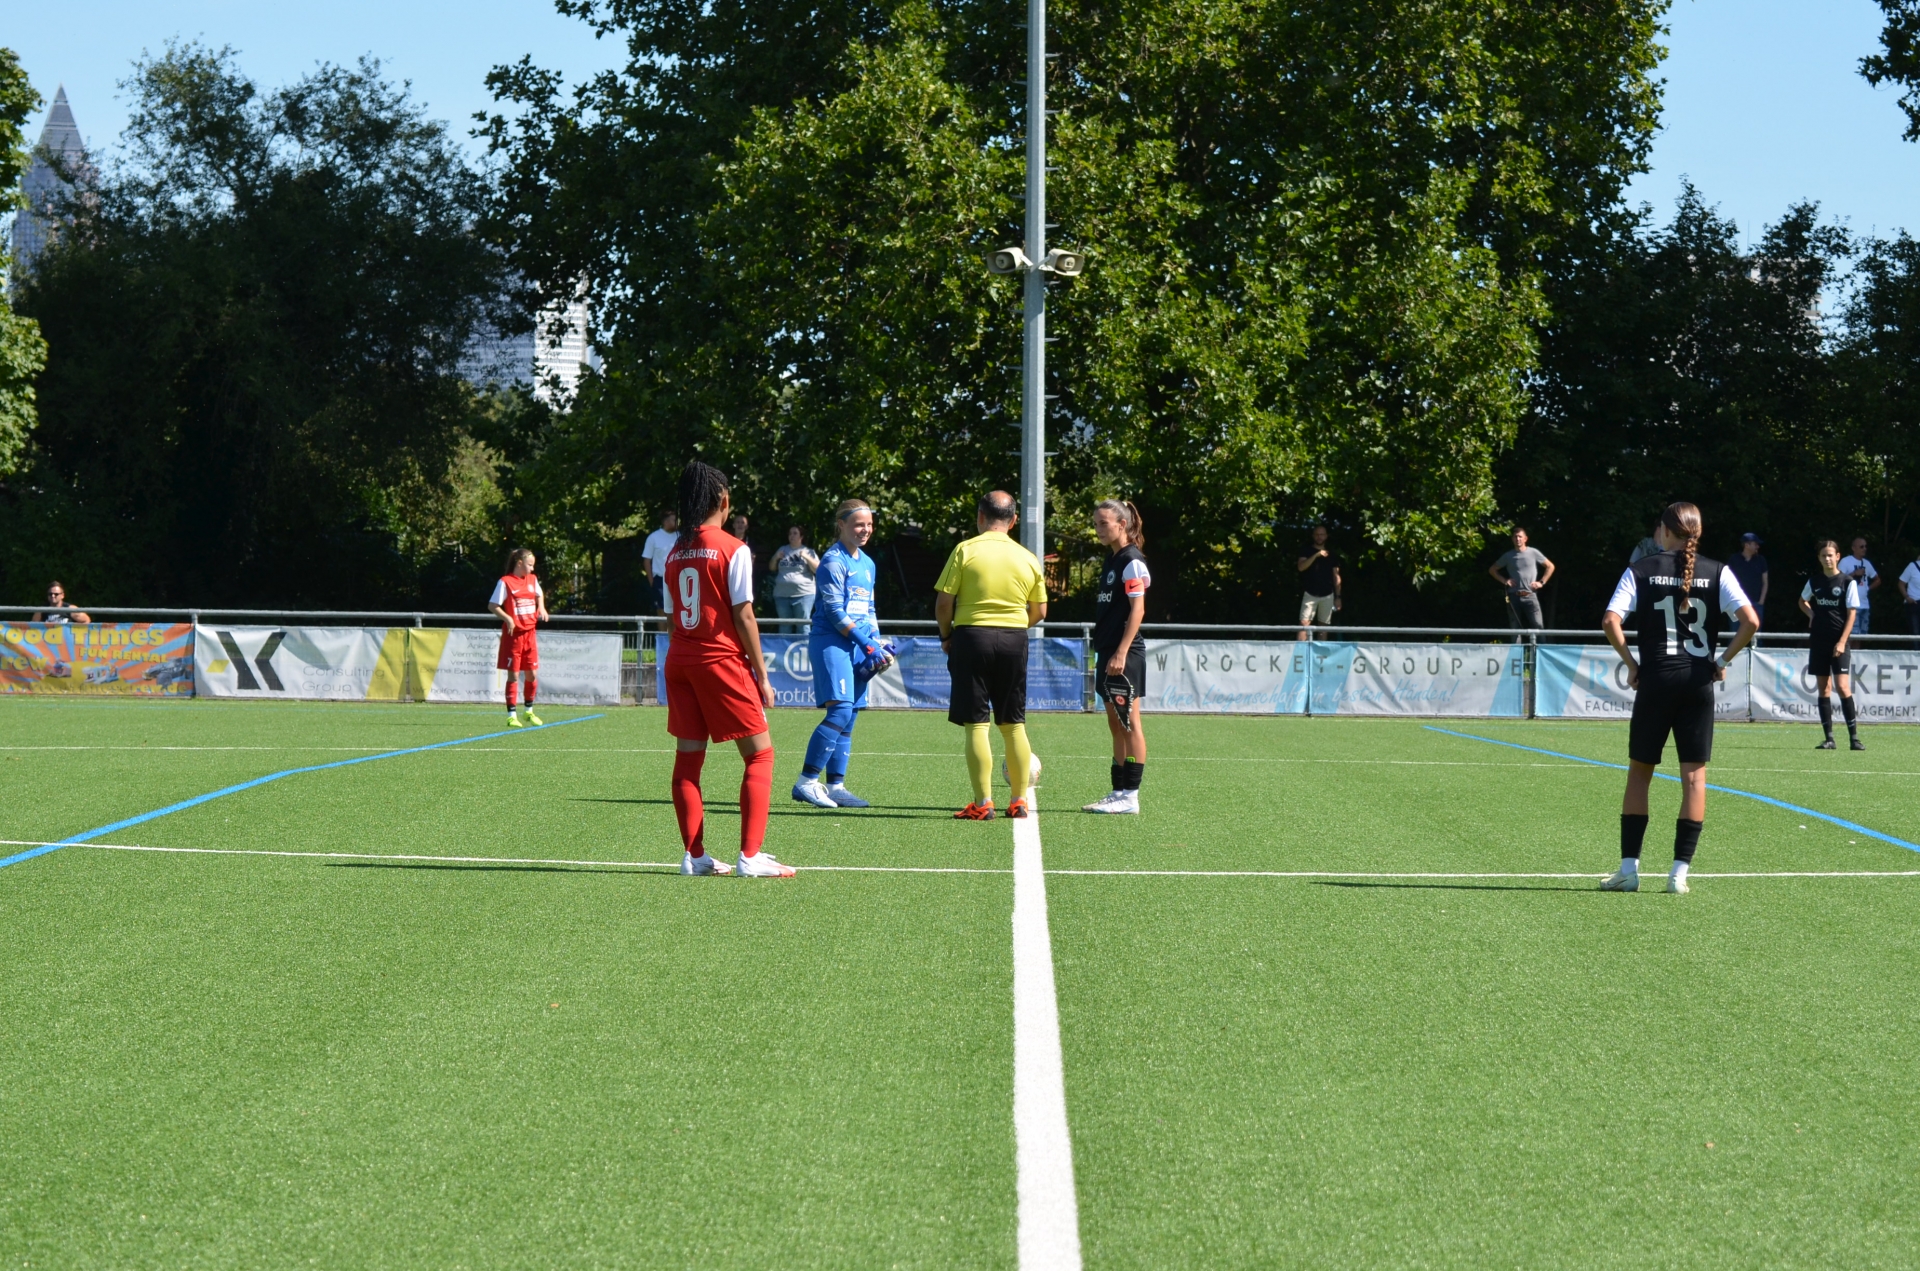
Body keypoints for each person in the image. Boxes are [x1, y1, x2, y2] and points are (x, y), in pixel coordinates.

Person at [1599, 501, 1759, 895]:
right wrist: (1720, 660)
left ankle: (1629, 870)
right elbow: (1751, 621)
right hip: (1697, 683)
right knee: (1694, 778)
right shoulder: (1719, 571)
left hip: (1656, 681)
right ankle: (1678, 875)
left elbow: (1610, 621)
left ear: (1665, 531)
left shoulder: (1640, 569)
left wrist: (1632, 663)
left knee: (1640, 772)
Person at [661, 461, 791, 877]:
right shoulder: (734, 548)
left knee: (688, 761)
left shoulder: (674, 551)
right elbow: (744, 616)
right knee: (760, 756)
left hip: (680, 661)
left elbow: (671, 618)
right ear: (723, 500)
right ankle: (750, 857)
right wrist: (763, 675)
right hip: (719, 661)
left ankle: (694, 856)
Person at [935, 491, 1047, 820]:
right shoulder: (1027, 557)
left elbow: (944, 603)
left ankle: (983, 803)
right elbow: (1040, 611)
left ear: (981, 517)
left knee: (977, 725)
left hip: (972, 637)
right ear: (1013, 521)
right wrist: (1011, 626)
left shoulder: (965, 550)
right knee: (1013, 725)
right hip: (1014, 639)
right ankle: (1018, 800)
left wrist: (947, 635)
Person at [792, 501, 892, 810]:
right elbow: (835, 611)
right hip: (832, 641)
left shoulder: (868, 563)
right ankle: (806, 782)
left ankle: (835, 786)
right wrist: (867, 644)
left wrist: (877, 643)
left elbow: (869, 608)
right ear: (841, 525)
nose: (865, 530)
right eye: (859, 524)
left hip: (860, 644)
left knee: (850, 715)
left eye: (869, 525)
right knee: (839, 710)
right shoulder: (833, 561)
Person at [1082, 500, 1150, 814]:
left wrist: (1122, 651)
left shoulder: (1132, 561)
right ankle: (1118, 790)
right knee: (1115, 725)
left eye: (1104, 523)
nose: (1098, 529)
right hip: (1108, 652)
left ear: (1121, 524)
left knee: (1130, 723)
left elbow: (1138, 609)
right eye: (1096, 524)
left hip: (1126, 654)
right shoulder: (1111, 561)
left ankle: (1131, 797)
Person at [1800, 540, 1866, 751]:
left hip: (1839, 642)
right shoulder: (1815, 581)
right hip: (1819, 640)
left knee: (1843, 687)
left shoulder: (1847, 582)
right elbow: (1802, 601)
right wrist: (1811, 614)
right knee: (1824, 688)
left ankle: (1854, 738)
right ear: (1819, 558)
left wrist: (1842, 641)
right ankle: (1829, 738)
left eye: (1830, 555)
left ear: (1838, 556)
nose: (1827, 559)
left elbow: (1852, 613)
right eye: (1823, 555)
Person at [488, 549, 548, 727]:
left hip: (530, 634)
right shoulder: (505, 582)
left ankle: (529, 711)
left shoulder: (532, 579)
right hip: (514, 636)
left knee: (532, 674)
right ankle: (511, 715)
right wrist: (507, 618)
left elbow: (539, 594)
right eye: (530, 565)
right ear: (519, 563)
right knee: (513, 675)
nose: (532, 568)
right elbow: (492, 605)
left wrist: (542, 608)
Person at [1489, 528, 1553, 632]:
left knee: (1538, 627)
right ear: (1512, 539)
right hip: (1513, 596)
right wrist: (1504, 580)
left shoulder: (1533, 552)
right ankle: (1516, 649)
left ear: (1525, 539)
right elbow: (1492, 570)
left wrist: (1541, 582)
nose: (1517, 539)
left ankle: (1539, 648)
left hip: (1530, 595)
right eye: (1515, 537)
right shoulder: (1508, 556)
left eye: (1520, 536)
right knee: (1515, 629)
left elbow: (1550, 566)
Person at [768, 526, 821, 634]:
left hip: (803, 594)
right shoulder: (782, 549)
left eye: (795, 533)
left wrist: (806, 557)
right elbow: (772, 568)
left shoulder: (808, 551)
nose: (791, 536)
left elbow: (818, 570)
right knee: (784, 626)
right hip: (782, 595)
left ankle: (805, 650)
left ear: (801, 536)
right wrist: (776, 557)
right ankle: (784, 650)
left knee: (803, 626)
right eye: (790, 533)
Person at [1295, 524, 1341, 640]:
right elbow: (1301, 567)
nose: (1319, 537)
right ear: (1313, 536)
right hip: (1310, 593)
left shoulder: (1332, 554)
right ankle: (1301, 653)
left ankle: (1320, 655)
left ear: (1326, 536)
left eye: (1322, 534)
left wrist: (1338, 597)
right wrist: (1316, 555)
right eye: (1317, 534)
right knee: (1304, 625)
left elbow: (1336, 576)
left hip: (1327, 594)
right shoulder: (1306, 550)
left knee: (1324, 627)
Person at [1836, 537, 1881, 634]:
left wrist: (1867, 589)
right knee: (1851, 635)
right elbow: (1838, 580)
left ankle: (1857, 650)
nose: (1864, 548)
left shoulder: (1867, 563)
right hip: (1851, 605)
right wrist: (1854, 574)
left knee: (1862, 636)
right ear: (1853, 548)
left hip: (1865, 605)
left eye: (1865, 546)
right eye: (1861, 546)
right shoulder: (1845, 561)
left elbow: (1877, 580)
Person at [1726, 532, 1769, 629]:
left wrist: (1761, 601)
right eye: (1755, 544)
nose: (1758, 546)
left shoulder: (1761, 560)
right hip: (1736, 603)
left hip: (1756, 603)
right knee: (1735, 635)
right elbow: (1727, 581)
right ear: (1746, 545)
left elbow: (1765, 582)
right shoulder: (1734, 559)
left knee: (1757, 638)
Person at [642, 512, 679, 616]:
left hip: (678, 579)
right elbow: (646, 560)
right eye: (674, 520)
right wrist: (652, 582)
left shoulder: (681, 537)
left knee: (677, 610)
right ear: (666, 522)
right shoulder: (653, 537)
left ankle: (676, 633)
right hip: (660, 580)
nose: (677, 522)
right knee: (661, 610)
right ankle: (662, 633)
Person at [1901, 552, 1920, 639]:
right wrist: (1907, 597)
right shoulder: (1912, 566)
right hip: (1914, 603)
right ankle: (1915, 652)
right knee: (1915, 633)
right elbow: (1901, 583)